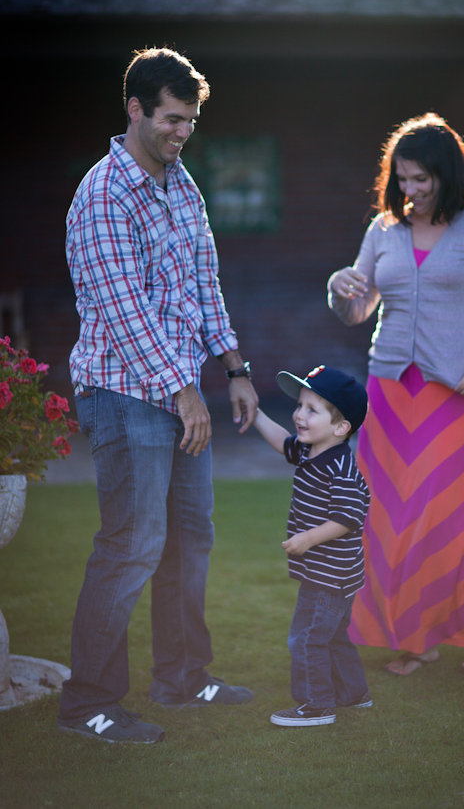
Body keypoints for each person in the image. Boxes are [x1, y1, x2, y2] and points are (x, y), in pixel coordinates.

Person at [57, 48, 259, 743]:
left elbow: (204, 281)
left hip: (180, 391)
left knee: (190, 537)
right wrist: (183, 392)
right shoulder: (103, 195)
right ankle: (88, 704)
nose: (183, 132)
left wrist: (234, 366)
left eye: (191, 120)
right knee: (132, 544)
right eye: (173, 119)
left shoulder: (181, 184)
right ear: (135, 109)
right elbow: (124, 310)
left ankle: (183, 678)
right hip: (123, 393)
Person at [327, 113, 464, 677]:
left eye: (421, 178)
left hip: (462, 396)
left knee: (443, 522)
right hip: (389, 395)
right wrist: (339, 288)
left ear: (448, 173)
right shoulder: (384, 230)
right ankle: (415, 640)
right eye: (402, 178)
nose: (411, 190)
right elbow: (357, 310)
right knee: (386, 522)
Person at [252, 365, 371, 726]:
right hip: (331, 573)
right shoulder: (310, 450)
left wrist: (308, 538)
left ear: (341, 428)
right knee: (331, 636)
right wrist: (255, 414)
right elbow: (282, 441)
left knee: (305, 639)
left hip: (330, 576)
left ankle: (316, 706)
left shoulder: (340, 468)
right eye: (299, 406)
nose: (299, 415)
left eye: (311, 410)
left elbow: (348, 518)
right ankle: (354, 694)